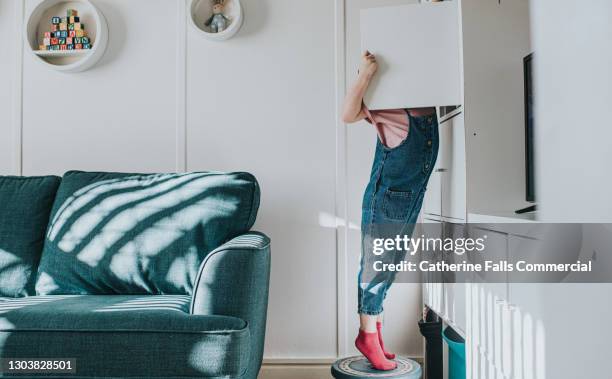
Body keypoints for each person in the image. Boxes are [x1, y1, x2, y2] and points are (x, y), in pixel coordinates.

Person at [342, 51, 439, 371]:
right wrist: (367, 74)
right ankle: (367, 336)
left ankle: (376, 333)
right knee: (376, 268)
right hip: (386, 201)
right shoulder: (389, 108)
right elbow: (348, 114)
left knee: (389, 268)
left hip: (407, 201)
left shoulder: (425, 105)